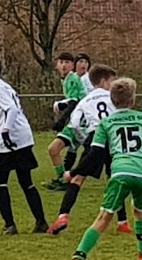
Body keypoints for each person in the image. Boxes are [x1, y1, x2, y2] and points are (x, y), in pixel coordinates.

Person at [66, 77, 142, 260]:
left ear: (112, 100)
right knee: (139, 210)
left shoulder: (106, 123)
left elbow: (95, 154)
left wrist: (74, 171)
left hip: (121, 171)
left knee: (104, 217)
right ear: (133, 100)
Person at [47, 64, 130, 235]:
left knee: (78, 179)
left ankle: (63, 216)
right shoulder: (113, 97)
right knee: (114, 179)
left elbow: (75, 124)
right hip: (113, 138)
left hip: (95, 138)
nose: (114, 84)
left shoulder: (85, 101)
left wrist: (83, 139)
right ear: (104, 81)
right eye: (112, 80)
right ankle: (122, 222)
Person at [0, 58, 49, 234]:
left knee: (0, 183)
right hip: (23, 136)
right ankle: (41, 222)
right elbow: (7, 112)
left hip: (10, 140)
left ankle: (9, 225)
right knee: (26, 182)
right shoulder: (4, 86)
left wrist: (5, 130)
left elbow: (11, 110)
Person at [45, 52, 88, 190]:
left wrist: (61, 120)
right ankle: (64, 180)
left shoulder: (73, 79)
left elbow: (74, 102)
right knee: (74, 149)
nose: (64, 65)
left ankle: (63, 180)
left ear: (72, 65)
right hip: (80, 120)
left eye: (67, 62)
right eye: (61, 62)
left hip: (80, 122)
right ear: (57, 65)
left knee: (53, 149)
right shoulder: (66, 79)